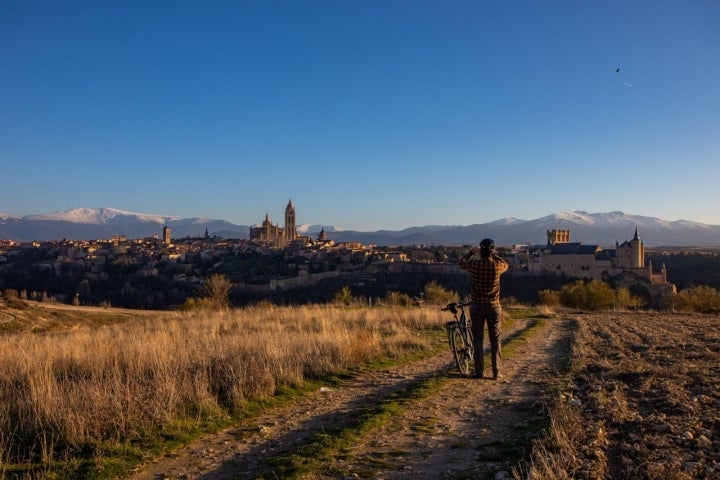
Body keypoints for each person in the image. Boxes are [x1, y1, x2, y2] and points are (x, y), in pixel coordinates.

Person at [458, 238, 508, 379]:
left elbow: (461, 263)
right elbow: (506, 264)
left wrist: (471, 252)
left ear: (481, 251)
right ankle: (496, 371)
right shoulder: (497, 266)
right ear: (492, 251)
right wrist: (494, 254)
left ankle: (479, 371)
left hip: (477, 306)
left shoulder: (474, 265)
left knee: (478, 340)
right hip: (493, 306)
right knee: (495, 339)